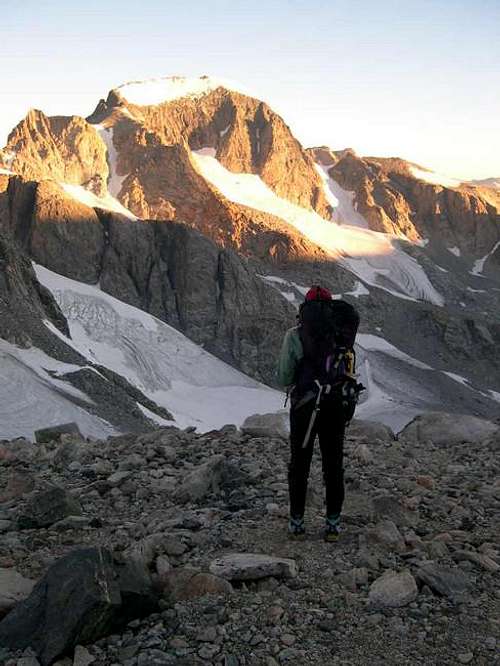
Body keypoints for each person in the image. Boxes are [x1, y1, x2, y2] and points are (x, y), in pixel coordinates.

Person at [277, 285, 361, 542]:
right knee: (333, 465)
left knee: (299, 464)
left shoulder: (295, 335)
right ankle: (333, 525)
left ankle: (297, 523)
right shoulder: (342, 335)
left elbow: (284, 376)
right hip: (335, 405)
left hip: (304, 405)